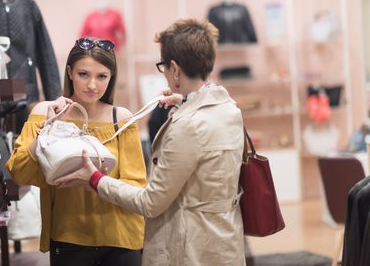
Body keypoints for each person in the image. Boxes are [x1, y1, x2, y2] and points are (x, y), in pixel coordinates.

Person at [56, 18, 246, 265]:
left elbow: (151, 203)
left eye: (164, 67)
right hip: (225, 241)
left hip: (190, 249)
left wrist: (95, 180)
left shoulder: (187, 126)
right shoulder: (228, 109)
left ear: (175, 69)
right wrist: (185, 101)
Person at [5, 37, 147, 266]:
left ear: (111, 78)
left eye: (102, 76)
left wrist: (95, 180)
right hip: (69, 238)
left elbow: (136, 185)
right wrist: (46, 131)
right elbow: (19, 172)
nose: (92, 85)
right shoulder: (46, 111)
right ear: (70, 72)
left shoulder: (121, 119)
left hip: (122, 238)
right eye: (84, 74)